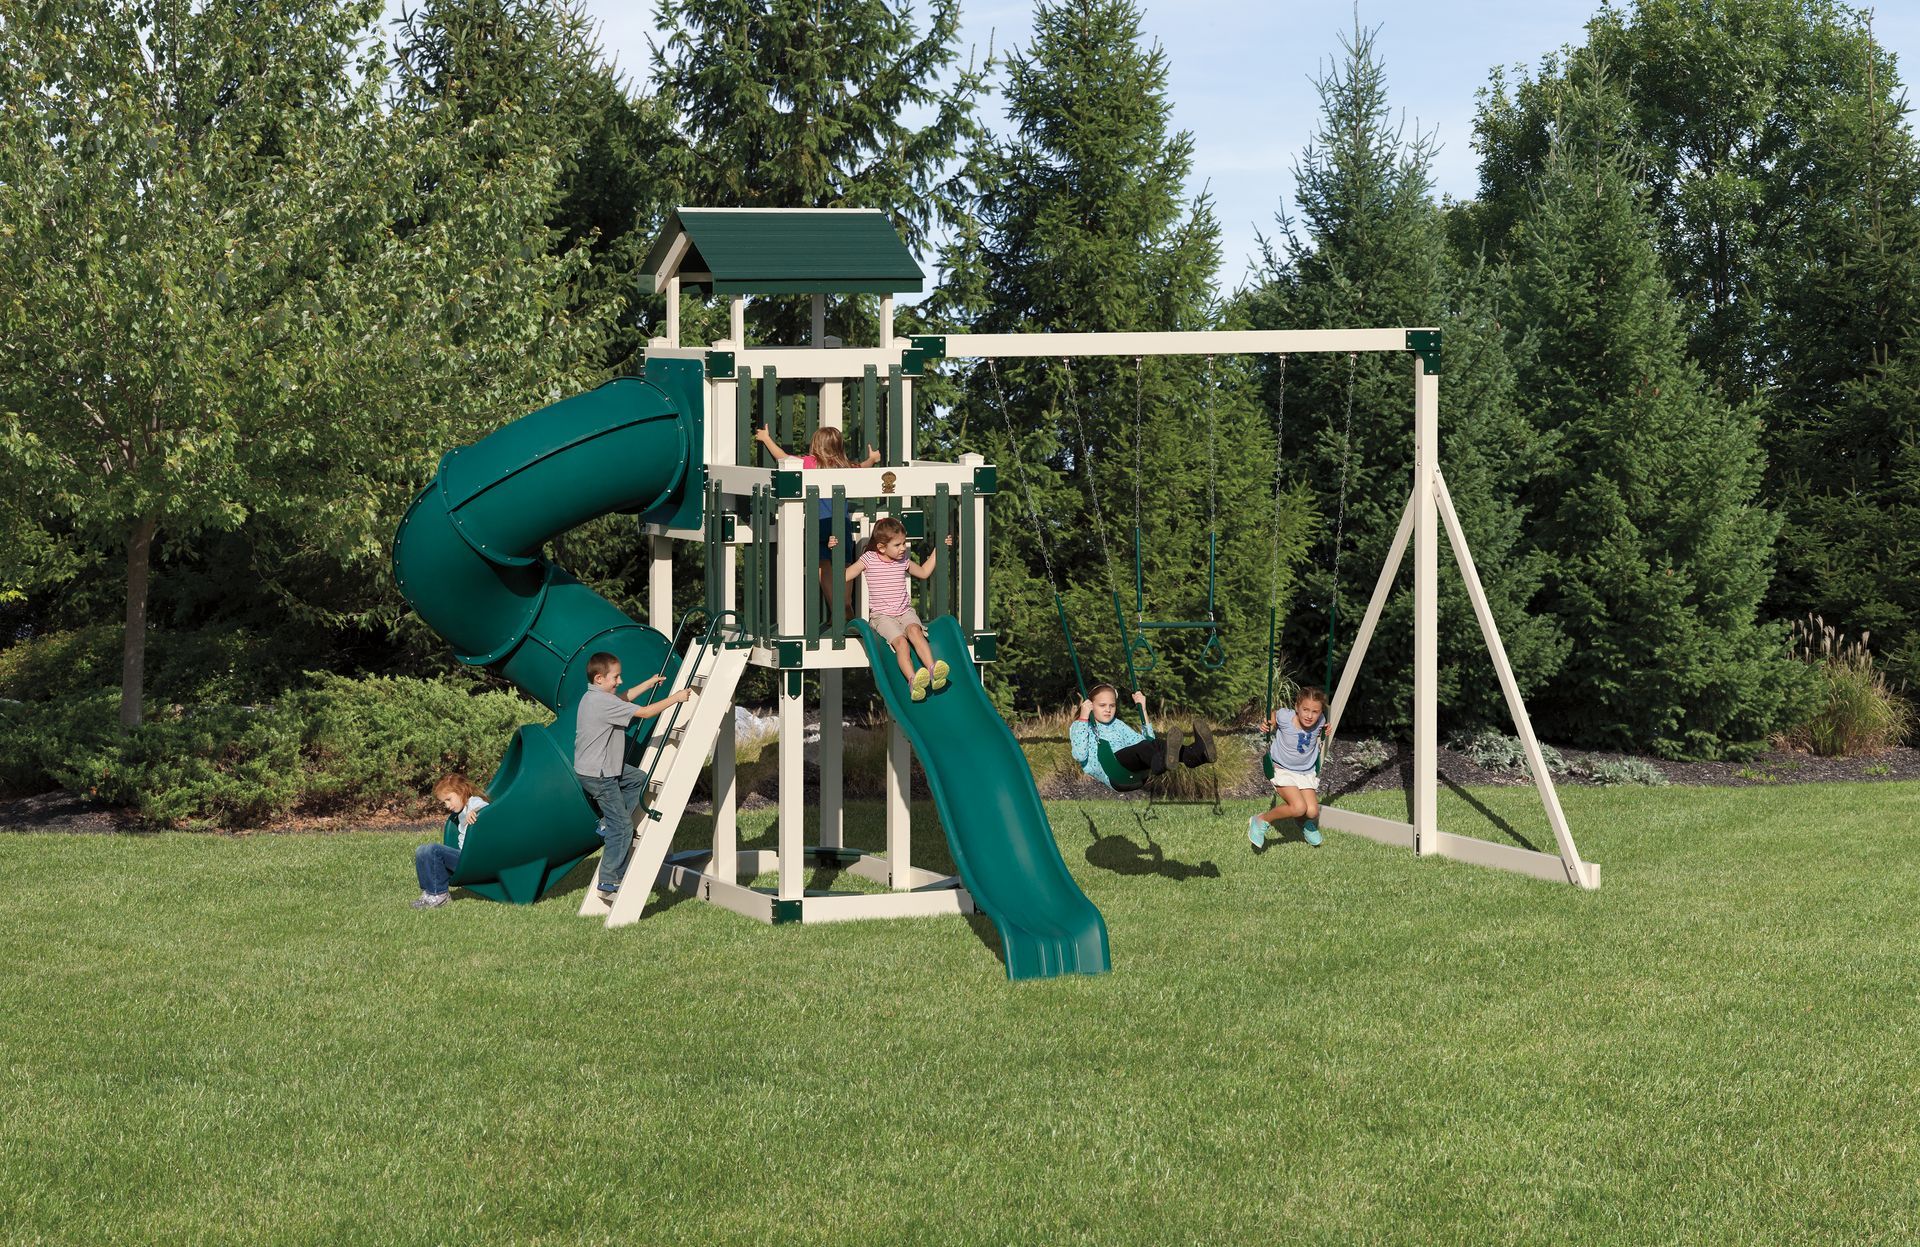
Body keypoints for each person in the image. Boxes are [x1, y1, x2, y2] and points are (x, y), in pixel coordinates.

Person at [575, 652, 694, 905]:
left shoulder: (594, 697)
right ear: (599, 678)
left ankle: (608, 822)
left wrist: (648, 684)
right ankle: (609, 881)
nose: (619, 680)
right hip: (600, 774)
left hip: (603, 768)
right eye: (615, 677)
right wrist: (676, 698)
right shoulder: (602, 702)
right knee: (624, 827)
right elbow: (647, 713)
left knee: (638, 779)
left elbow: (624, 698)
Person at [753, 424, 881, 614]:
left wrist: (766, 439)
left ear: (816, 445)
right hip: (840, 524)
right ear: (838, 447)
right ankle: (846, 603)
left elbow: (784, 458)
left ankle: (835, 608)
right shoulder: (846, 467)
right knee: (844, 564)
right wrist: (873, 459)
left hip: (819, 524)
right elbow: (862, 467)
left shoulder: (811, 464)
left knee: (823, 565)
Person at [846, 515, 949, 701]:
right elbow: (845, 575)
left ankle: (933, 669)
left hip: (905, 612)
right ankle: (913, 681)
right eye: (898, 545)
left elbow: (924, 572)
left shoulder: (903, 561)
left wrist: (939, 550)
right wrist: (834, 551)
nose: (903, 548)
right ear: (881, 547)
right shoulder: (869, 559)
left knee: (915, 631)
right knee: (901, 643)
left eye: (904, 543)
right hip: (882, 616)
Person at [1069, 683, 1215, 790]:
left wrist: (1143, 709)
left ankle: (1194, 755)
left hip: (1137, 771)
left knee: (1155, 744)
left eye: (1112, 706)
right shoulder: (1081, 726)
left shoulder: (1117, 724)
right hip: (1114, 771)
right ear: (1090, 706)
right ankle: (1161, 761)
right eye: (1102, 705)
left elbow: (1147, 741)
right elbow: (1080, 755)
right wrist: (1083, 716)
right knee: (1143, 748)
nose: (1108, 709)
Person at [1250, 686, 1333, 849]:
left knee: (1312, 812)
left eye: (1315, 711)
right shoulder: (1285, 717)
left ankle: (1303, 823)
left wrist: (1326, 728)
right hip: (1282, 769)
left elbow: (1323, 724)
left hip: (1305, 772)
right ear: (1297, 707)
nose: (1310, 716)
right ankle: (1261, 820)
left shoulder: (1321, 720)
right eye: (1305, 710)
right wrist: (1270, 723)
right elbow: (1274, 715)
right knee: (1298, 807)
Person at [411, 773, 488, 909]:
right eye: (444, 802)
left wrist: (475, 812)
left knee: (433, 849)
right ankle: (428, 893)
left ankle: (440, 895)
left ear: (461, 791)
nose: (447, 805)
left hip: (474, 860)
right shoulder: (461, 811)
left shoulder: (473, 802)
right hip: (465, 857)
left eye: (448, 799)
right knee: (421, 850)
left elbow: (488, 810)